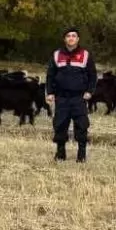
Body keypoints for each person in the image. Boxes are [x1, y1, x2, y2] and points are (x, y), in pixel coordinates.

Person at [45, 26, 97, 162]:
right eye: (68, 36)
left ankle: (81, 155)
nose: (71, 38)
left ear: (78, 39)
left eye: (74, 36)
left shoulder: (85, 54)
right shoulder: (57, 55)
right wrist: (50, 92)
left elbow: (93, 75)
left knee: (81, 125)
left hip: (79, 97)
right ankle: (60, 153)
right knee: (60, 125)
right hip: (61, 97)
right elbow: (50, 75)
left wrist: (89, 91)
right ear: (64, 39)